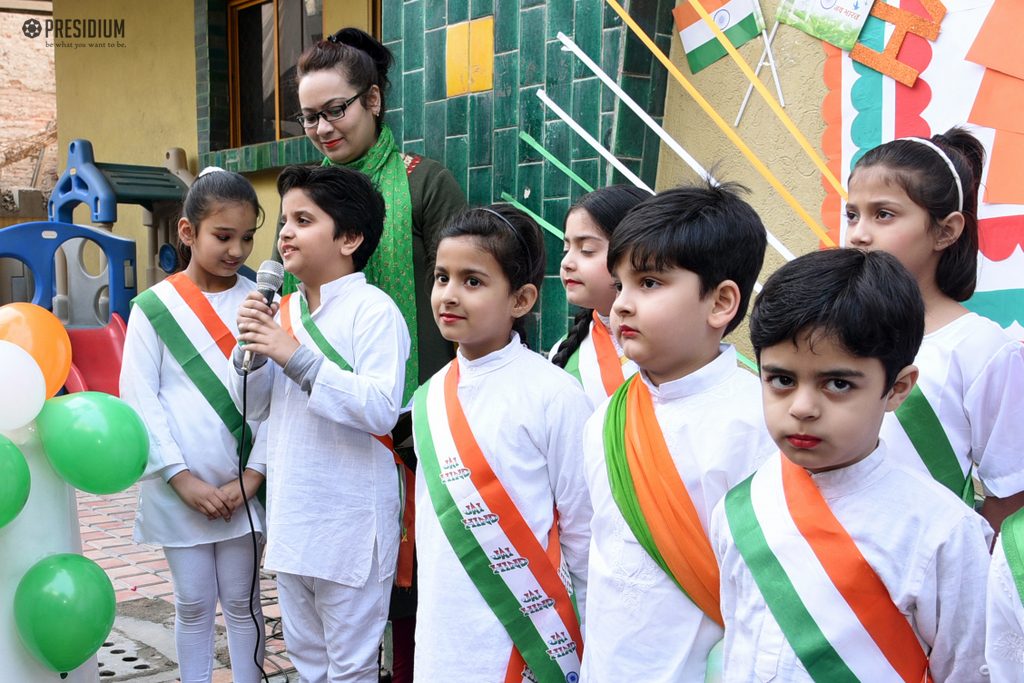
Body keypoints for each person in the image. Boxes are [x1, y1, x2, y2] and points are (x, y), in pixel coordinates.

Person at [712, 248, 991, 682]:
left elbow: (970, 670)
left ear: (898, 388)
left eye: (838, 384)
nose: (802, 408)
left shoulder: (943, 533)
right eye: (782, 380)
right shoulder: (741, 506)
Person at [580, 183, 776, 683]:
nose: (620, 304)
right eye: (619, 284)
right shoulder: (608, 416)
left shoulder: (758, 422)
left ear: (721, 302)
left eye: (649, 283)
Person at [231, 164, 410, 683]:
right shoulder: (279, 310)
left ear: (350, 237)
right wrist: (254, 353)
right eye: (284, 220)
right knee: (308, 662)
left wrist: (295, 357)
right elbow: (256, 407)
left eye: (303, 220)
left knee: (350, 666)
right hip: (294, 516)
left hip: (351, 523)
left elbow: (380, 408)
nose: (284, 232)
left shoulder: (374, 311)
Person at [412, 206, 593, 683]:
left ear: (522, 300)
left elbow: (584, 534)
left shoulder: (555, 396)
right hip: (441, 629)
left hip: (523, 638)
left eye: (472, 281)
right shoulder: (428, 396)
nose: (448, 295)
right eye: (441, 277)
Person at [121, 168, 267, 683]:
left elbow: (276, 401)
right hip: (178, 485)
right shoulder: (153, 309)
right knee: (194, 604)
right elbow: (140, 398)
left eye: (247, 237)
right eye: (223, 236)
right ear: (188, 232)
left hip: (242, 488)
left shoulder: (260, 302)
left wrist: (251, 479)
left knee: (245, 604)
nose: (237, 250)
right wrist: (180, 478)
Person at [846, 127, 1024, 531]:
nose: (858, 234)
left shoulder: (980, 347)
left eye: (883, 214)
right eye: (852, 214)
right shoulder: (837, 331)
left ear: (946, 230)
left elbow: (1011, 495)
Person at [284, 26, 468, 399]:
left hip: (418, 404)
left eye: (335, 110)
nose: (322, 129)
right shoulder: (300, 197)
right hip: (313, 400)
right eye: (309, 117)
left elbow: (467, 289)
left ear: (372, 99)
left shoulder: (426, 182)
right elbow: (285, 299)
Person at [550, 185, 649, 405]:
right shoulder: (562, 351)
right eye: (566, 250)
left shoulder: (668, 347)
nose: (566, 263)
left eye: (586, 250)